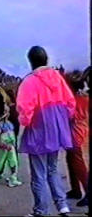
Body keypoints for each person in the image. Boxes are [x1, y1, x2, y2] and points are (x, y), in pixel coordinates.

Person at [16, 46, 76, 217]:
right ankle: (62, 205)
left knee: (39, 173)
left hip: (39, 130)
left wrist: (25, 122)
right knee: (52, 169)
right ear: (46, 59)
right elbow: (71, 104)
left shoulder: (29, 82)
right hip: (57, 130)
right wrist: (61, 120)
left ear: (31, 61)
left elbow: (25, 109)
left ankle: (41, 210)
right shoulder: (58, 78)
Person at [65, 72, 89, 207]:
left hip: (75, 134)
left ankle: (86, 191)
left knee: (77, 163)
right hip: (77, 133)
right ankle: (75, 189)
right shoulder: (82, 98)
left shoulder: (74, 100)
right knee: (71, 160)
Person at [0, 103, 22, 188]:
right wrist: (1, 144)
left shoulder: (9, 124)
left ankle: (13, 178)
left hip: (10, 146)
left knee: (13, 161)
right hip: (4, 147)